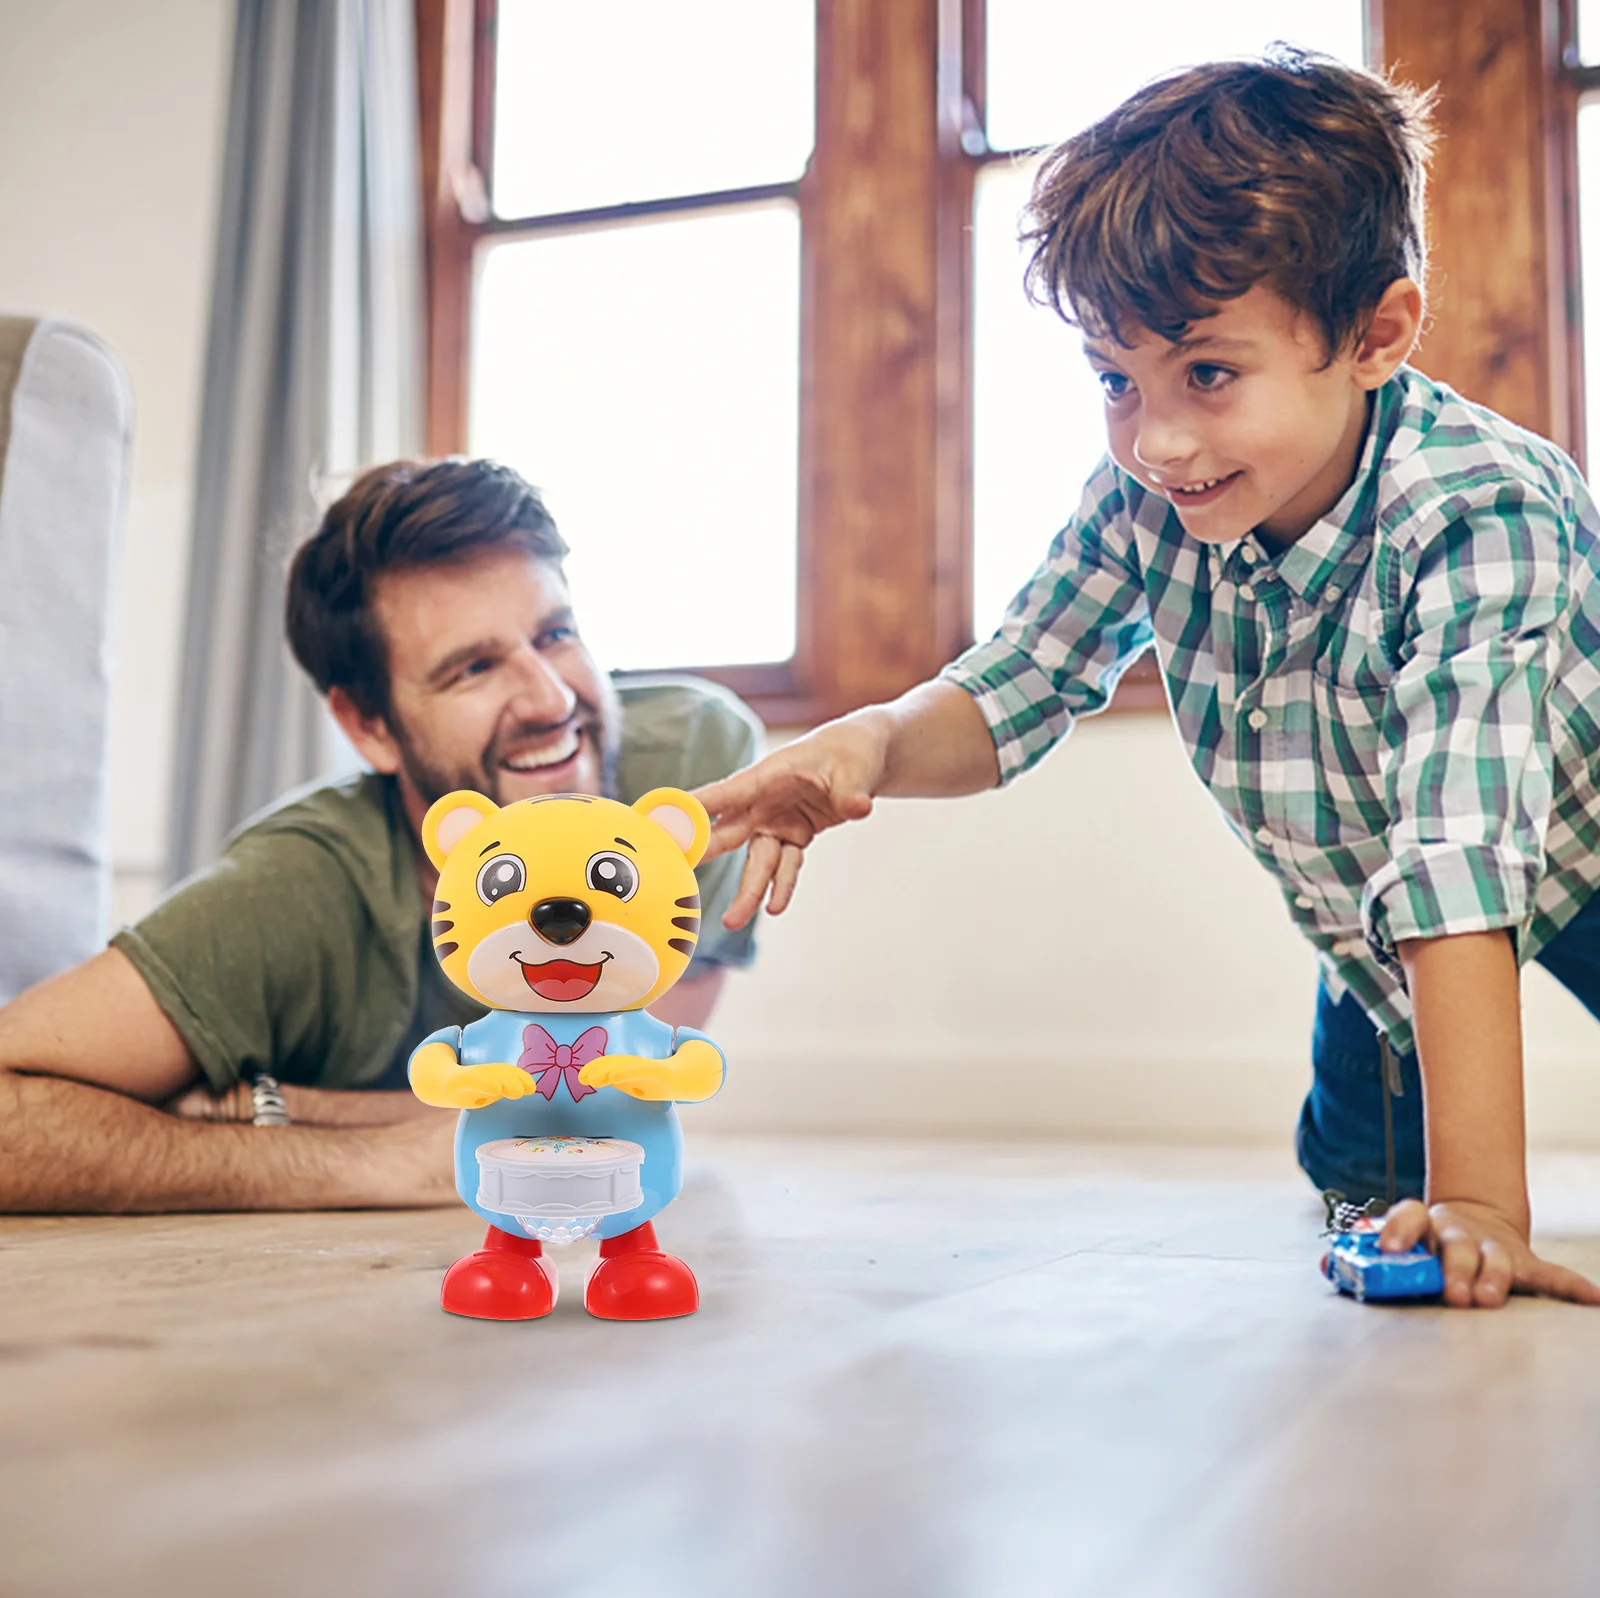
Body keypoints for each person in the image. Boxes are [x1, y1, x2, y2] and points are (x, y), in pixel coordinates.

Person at [698, 50, 1600, 1312]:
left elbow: (1459, 848)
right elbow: (1019, 683)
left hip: (1568, 838)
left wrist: (1486, 1209)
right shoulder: (1146, 500)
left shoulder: (1478, 511)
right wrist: (872, 743)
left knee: (1454, 1198)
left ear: (1374, 335)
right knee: (1354, 1180)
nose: (1156, 439)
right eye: (1115, 380)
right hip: (1373, 927)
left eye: (1208, 375)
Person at [0, 458, 759, 1212]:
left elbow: (614, 1094)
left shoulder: (693, 771)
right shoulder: (289, 894)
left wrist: (287, 1106)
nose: (551, 698)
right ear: (369, 726)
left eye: (554, 633)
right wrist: (362, 1165)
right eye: (472, 669)